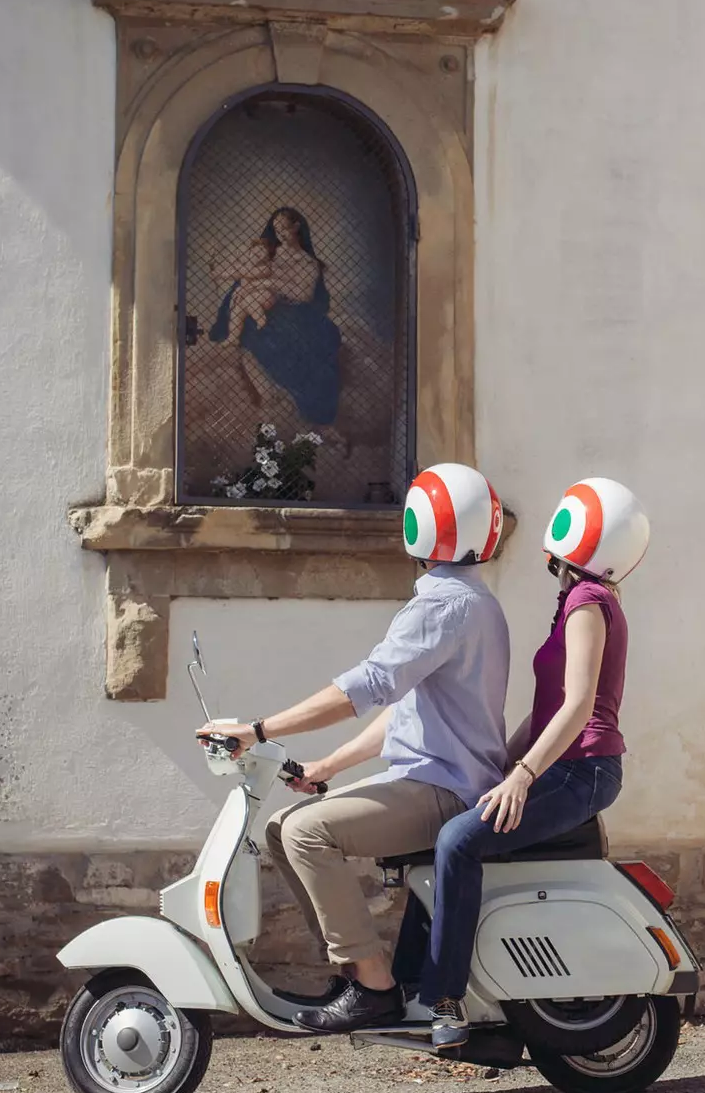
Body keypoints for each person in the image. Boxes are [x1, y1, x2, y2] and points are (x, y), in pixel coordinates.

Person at [197, 462, 509, 1032]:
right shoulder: (467, 599)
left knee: (304, 831)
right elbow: (407, 713)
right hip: (436, 779)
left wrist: (260, 730)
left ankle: (373, 985)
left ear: (417, 527)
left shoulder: (442, 604)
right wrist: (326, 765)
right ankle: (358, 974)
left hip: (446, 790)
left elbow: (365, 688)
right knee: (282, 827)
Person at [402, 477, 652, 1051]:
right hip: (565, 764)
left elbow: (578, 707)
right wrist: (500, 761)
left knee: (459, 841)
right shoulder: (582, 599)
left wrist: (521, 775)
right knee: (448, 837)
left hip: (580, 770)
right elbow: (545, 715)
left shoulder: (588, 602)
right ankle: (411, 983)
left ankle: (446, 999)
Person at [209, 206, 342, 425]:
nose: (279, 233)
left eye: (284, 228)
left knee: (298, 343)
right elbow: (250, 272)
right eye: (276, 229)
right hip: (263, 305)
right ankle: (265, 391)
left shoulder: (307, 263)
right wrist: (242, 288)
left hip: (293, 310)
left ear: (297, 227)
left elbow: (304, 294)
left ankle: (291, 399)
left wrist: (272, 283)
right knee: (253, 323)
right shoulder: (270, 253)